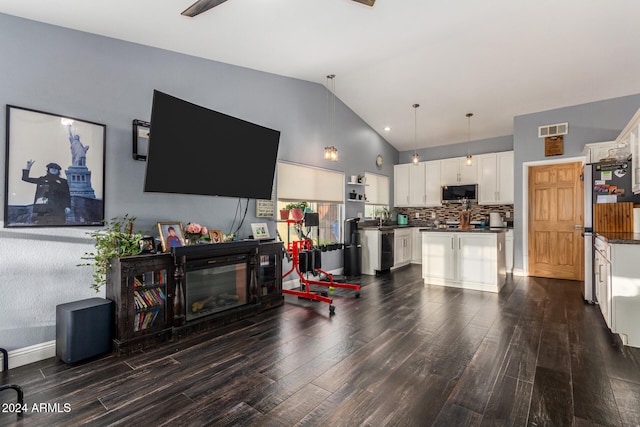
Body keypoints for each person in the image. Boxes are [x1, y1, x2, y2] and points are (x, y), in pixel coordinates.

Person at [21, 160, 71, 225]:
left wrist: (67, 206)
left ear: (58, 171)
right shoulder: (42, 179)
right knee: (41, 225)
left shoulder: (63, 182)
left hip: (58, 209)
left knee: (58, 225)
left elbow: (67, 195)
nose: (54, 169)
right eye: (52, 168)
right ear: (48, 169)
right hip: (42, 209)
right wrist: (28, 167)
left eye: (56, 168)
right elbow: (25, 178)